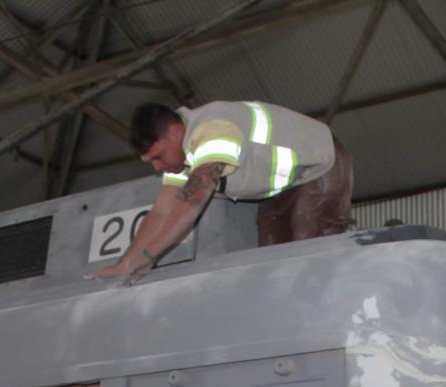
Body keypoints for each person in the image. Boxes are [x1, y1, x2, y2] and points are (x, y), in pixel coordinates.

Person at [88, 100, 353, 285]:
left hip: (318, 165)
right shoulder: (182, 156)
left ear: (175, 132)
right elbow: (161, 210)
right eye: (151, 163)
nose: (158, 167)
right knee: (274, 263)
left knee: (310, 251)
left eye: (158, 157)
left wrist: (148, 256)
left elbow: (193, 199)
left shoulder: (213, 128)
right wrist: (126, 263)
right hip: (280, 189)